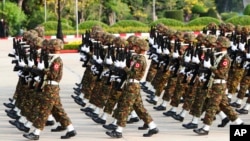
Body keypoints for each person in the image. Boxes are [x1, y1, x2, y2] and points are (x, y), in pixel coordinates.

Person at [23, 39, 77, 140]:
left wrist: (41, 71)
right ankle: (71, 129)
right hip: (47, 87)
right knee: (57, 110)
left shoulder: (57, 60)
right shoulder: (51, 58)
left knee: (43, 110)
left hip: (51, 88)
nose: (47, 48)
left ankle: (36, 133)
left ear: (54, 47)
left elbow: (53, 75)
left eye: (50, 46)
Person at [106, 38, 159, 138]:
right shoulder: (136, 58)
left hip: (132, 86)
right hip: (130, 85)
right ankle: (152, 127)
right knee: (139, 108)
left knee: (124, 107)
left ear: (141, 48)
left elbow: (133, 74)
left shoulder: (140, 60)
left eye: (136, 46)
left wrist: (124, 67)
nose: (134, 48)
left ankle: (118, 131)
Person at [193, 36, 244, 135]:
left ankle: (206, 128)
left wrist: (210, 67)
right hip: (213, 84)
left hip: (219, 86)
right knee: (224, 106)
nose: (216, 45)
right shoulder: (217, 55)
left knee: (212, 106)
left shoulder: (225, 59)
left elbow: (221, 74)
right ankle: (239, 123)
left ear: (223, 46)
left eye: (218, 44)